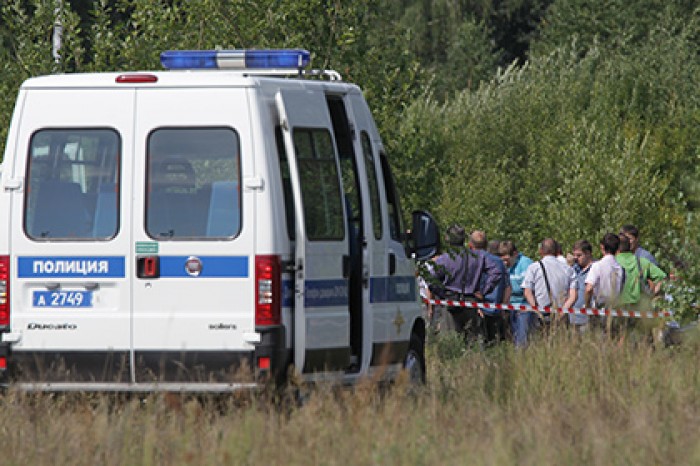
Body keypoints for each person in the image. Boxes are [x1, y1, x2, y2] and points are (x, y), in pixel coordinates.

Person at [430, 225, 502, 345]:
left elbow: (431, 279)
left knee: (450, 342)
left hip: (450, 302)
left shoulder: (444, 259)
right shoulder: (478, 256)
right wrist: (484, 290)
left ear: (447, 239)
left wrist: (442, 294)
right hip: (471, 301)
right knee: (473, 341)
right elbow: (496, 272)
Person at [520, 238, 577, 347]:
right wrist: (563, 311)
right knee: (561, 347)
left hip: (541, 314)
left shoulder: (534, 267)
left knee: (540, 346)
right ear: (557, 251)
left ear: (541, 251)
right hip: (561, 315)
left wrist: (536, 309)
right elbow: (573, 296)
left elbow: (527, 291)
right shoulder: (568, 269)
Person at [470, 230, 511, 344]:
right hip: (496, 310)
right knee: (496, 345)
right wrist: (503, 307)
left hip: (478, 310)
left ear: (471, 245)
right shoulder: (499, 262)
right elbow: (508, 288)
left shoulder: (470, 260)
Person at [584, 233, 624, 332]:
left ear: (602, 247)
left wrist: (587, 306)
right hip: (615, 308)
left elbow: (589, 288)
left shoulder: (597, 266)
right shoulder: (621, 269)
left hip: (599, 307)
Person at [616, 234, 667, 308]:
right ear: (629, 246)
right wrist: (654, 293)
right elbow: (663, 278)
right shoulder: (642, 262)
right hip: (639, 308)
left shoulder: (613, 262)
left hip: (617, 307)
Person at [498, 240, 533, 344]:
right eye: (502, 260)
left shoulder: (526, 264)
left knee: (522, 340)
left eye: (507, 260)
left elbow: (527, 288)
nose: (505, 263)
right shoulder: (506, 266)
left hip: (524, 306)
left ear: (515, 254)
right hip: (510, 306)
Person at [571, 240, 595, 332]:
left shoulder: (595, 269)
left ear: (588, 254)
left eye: (579, 255)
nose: (575, 258)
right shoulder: (573, 269)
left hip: (587, 319)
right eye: (574, 255)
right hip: (572, 318)